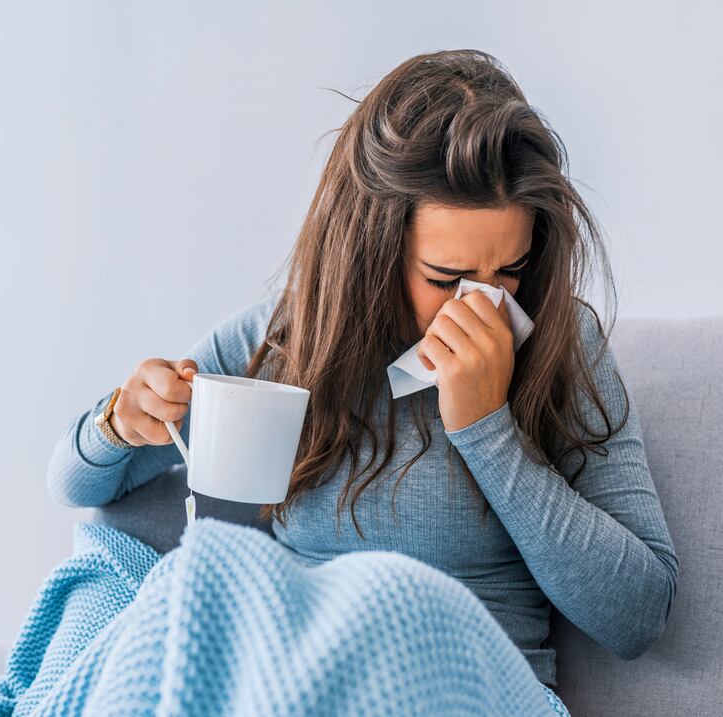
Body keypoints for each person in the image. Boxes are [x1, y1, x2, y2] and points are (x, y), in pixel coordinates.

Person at [46, 48, 678, 712]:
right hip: (297, 682)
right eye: (445, 277)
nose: (483, 306)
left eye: (510, 270)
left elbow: (638, 615)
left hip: (465, 688)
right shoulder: (287, 340)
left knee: (384, 599)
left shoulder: (560, 345)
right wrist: (119, 421)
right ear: (372, 251)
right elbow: (75, 484)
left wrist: (487, 429)